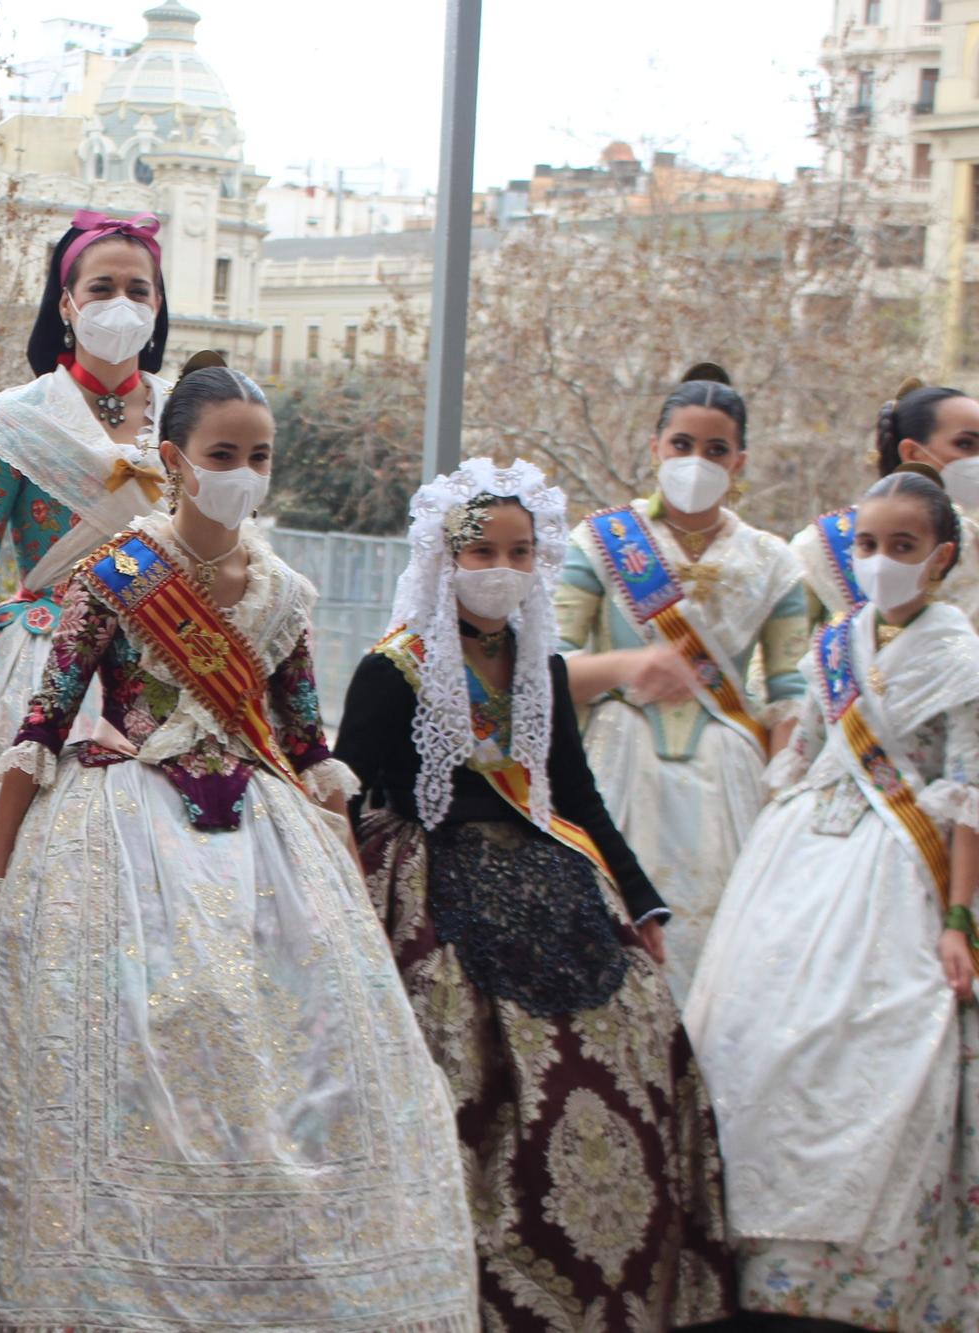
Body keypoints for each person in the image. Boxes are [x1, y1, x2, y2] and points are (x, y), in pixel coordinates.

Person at [0, 357, 478, 1331]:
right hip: (117, 839)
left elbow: (304, 744)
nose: (241, 470)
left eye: (258, 455)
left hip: (264, 846)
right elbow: (39, 728)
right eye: (222, 454)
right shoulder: (110, 576)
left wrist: (350, 895)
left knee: (293, 1063)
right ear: (174, 459)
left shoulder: (284, 591)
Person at [335, 457, 737, 1332]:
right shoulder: (391, 667)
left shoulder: (539, 666)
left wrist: (642, 900)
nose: (503, 567)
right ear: (448, 556)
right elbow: (347, 791)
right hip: (431, 877)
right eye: (485, 550)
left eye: (521, 551)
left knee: (637, 1029)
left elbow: (575, 794)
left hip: (554, 874)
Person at [686, 465, 979, 1331]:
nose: (882, 560)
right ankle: (757, 1262)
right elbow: (806, 752)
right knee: (761, 1036)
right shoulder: (834, 644)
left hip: (904, 875)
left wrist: (961, 920)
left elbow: (967, 796)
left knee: (884, 1043)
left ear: (941, 557)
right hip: (804, 857)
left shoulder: (963, 659)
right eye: (868, 544)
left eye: (903, 546)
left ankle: (865, 1275)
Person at [0, 209, 171, 902]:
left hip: (164, 667)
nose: (120, 303)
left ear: (158, 306)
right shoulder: (13, 418)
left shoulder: (190, 419)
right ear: (66, 303)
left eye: (138, 288)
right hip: (36, 668)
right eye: (100, 288)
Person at [555, 365, 808, 999]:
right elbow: (542, 671)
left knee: (730, 956)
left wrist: (781, 795)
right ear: (655, 448)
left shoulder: (773, 561)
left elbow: (789, 695)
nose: (698, 461)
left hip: (730, 773)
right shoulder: (599, 540)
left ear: (740, 460)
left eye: (716, 450)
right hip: (615, 762)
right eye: (683, 445)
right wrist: (625, 666)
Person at [793, 378, 979, 629]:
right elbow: (781, 660)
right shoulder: (821, 547)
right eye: (966, 444)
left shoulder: (974, 546)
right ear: (913, 453)